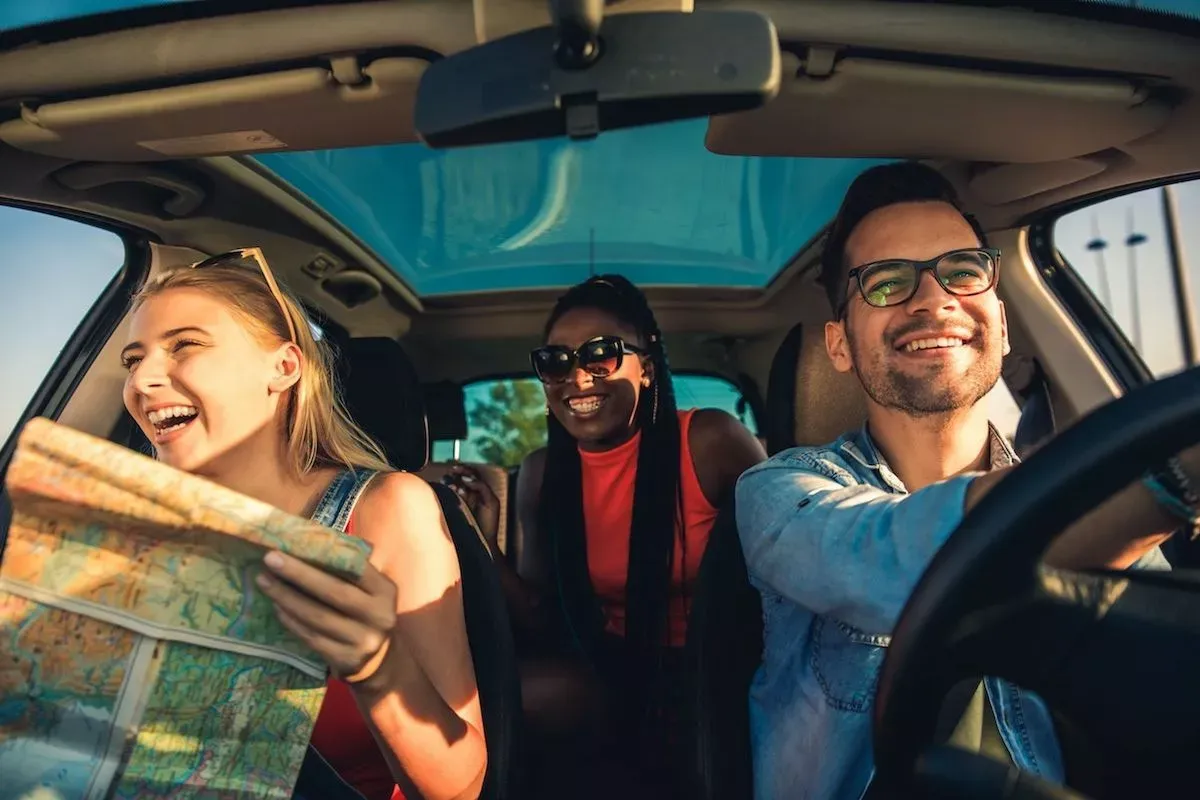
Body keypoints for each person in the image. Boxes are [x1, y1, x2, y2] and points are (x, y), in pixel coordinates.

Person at [734, 162, 1198, 800]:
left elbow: (1158, 657)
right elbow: (889, 558)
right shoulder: (780, 493)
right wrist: (1172, 473)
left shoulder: (1092, 507)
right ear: (838, 346)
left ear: (1002, 326)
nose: (934, 299)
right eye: (887, 281)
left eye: (962, 271)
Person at [119, 249, 487, 800]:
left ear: (284, 367)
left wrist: (379, 668)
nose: (143, 380)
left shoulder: (386, 508)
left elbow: (460, 787)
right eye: (132, 360)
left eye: (185, 345)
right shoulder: (138, 528)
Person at [445, 274, 766, 797]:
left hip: (718, 670)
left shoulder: (710, 441)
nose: (577, 377)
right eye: (556, 361)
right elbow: (541, 615)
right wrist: (483, 544)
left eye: (602, 354)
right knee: (484, 696)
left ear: (647, 366)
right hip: (607, 669)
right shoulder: (543, 472)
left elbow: (785, 578)